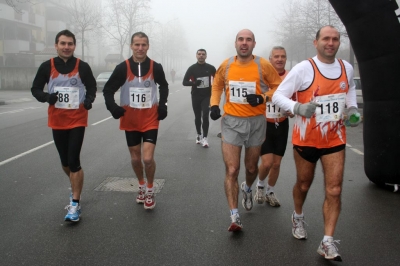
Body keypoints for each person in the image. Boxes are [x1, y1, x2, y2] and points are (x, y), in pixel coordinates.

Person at [272, 25, 361, 261]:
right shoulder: (304, 69)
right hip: (306, 139)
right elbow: (278, 95)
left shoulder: (346, 67)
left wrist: (352, 108)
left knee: (334, 189)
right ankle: (298, 216)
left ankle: (327, 241)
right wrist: (297, 107)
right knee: (303, 184)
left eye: (335, 39)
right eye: (326, 39)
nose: (330, 43)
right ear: (316, 42)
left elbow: (350, 89)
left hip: (335, 137)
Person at [210, 29, 281, 231]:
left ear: (254, 44)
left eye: (248, 40)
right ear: (235, 43)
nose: (244, 43)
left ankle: (248, 188)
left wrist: (263, 98)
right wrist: (214, 104)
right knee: (232, 169)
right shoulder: (226, 65)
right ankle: (234, 216)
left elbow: (278, 86)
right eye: (240, 39)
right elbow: (216, 86)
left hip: (256, 122)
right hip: (232, 122)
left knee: (251, 168)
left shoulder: (262, 65)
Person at [31, 29, 97, 222]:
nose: (66, 47)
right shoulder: (46, 66)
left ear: (74, 46)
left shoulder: (82, 66)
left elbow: (91, 86)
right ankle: (76, 187)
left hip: (77, 119)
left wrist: (89, 99)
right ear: (56, 45)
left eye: (70, 44)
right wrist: (46, 97)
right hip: (57, 120)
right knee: (65, 162)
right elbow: (35, 88)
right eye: (63, 43)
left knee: (74, 159)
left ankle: (75, 203)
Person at [103, 32, 169, 210]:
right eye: (137, 45)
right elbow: (108, 90)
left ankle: (150, 189)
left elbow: (164, 85)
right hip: (130, 120)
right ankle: (140, 185)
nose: (140, 48)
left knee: (147, 158)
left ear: (148, 46)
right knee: (135, 158)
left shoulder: (156, 67)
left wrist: (163, 105)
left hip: (150, 119)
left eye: (144, 45)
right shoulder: (122, 67)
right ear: (131, 46)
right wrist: (113, 107)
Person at [254, 46, 290, 207]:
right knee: (267, 163)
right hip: (264, 125)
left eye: (282, 56)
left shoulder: (291, 77)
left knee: (276, 163)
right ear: (270, 59)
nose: (279, 59)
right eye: (276, 56)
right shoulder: (262, 77)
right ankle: (260, 186)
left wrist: (293, 109)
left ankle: (270, 191)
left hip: (282, 124)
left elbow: (295, 99)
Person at [183, 49, 216, 147]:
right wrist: (193, 83)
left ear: (206, 56)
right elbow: (184, 82)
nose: (201, 56)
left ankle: (205, 138)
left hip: (206, 95)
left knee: (205, 115)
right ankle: (198, 134)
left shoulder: (210, 68)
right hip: (195, 95)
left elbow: (218, 80)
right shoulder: (192, 68)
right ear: (196, 56)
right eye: (199, 54)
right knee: (197, 116)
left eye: (203, 54)